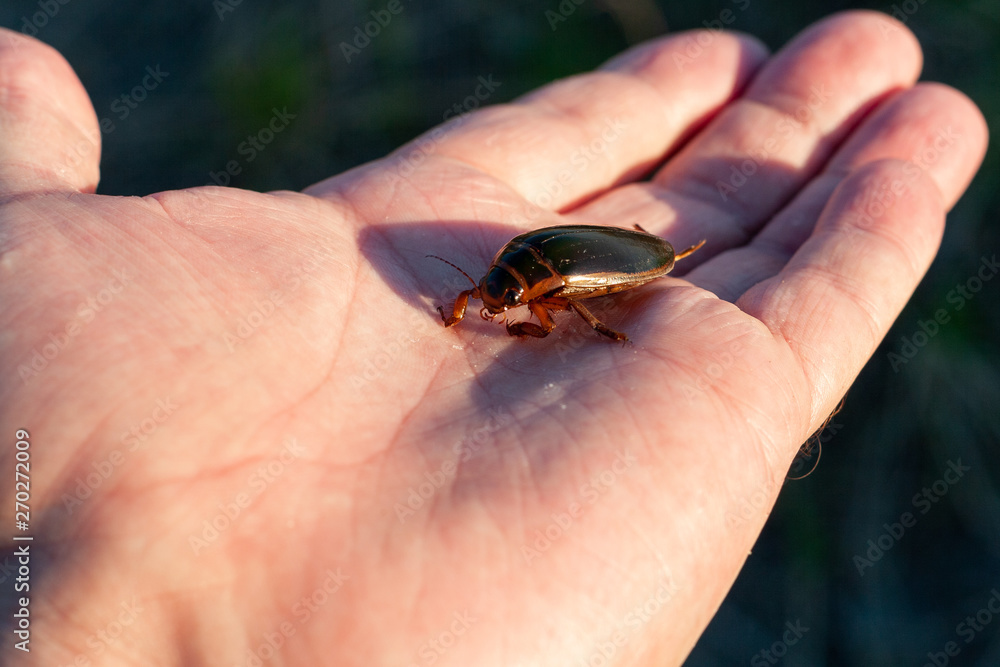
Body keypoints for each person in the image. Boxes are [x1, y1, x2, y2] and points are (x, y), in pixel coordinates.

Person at [0, 10, 986, 666]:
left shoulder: (554, 285)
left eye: (515, 303)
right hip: (566, 252)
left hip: (612, 254)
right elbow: (509, 286)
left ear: (534, 294)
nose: (514, 313)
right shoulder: (518, 281)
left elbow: (553, 285)